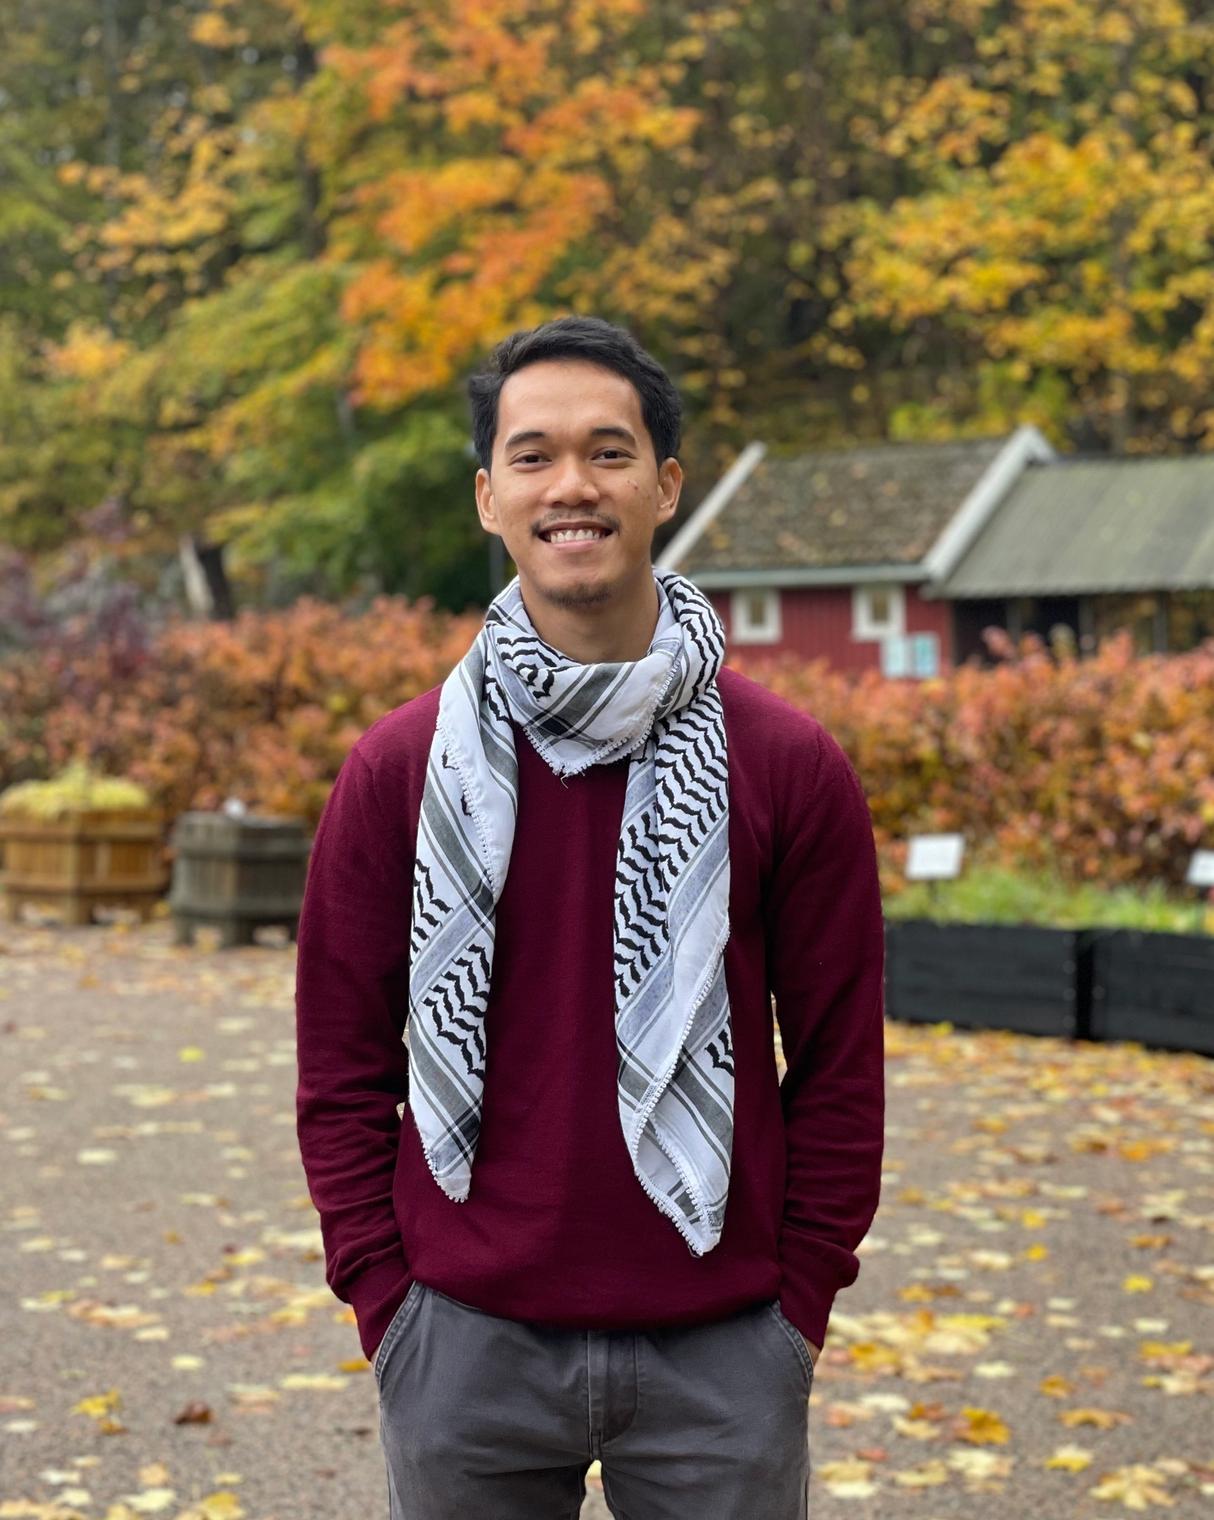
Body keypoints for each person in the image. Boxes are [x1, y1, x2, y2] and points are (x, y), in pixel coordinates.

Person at [294, 315, 886, 1520]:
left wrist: (797, 1306)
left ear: (666, 485)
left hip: (724, 1347)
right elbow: (339, 1061)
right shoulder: (400, 767)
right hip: (461, 1344)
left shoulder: (784, 761)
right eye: (533, 455)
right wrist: (386, 1302)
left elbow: (837, 1062)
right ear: (487, 495)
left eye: (609, 452)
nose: (572, 485)